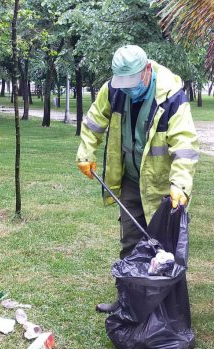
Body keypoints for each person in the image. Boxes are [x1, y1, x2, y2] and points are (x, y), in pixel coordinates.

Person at [75, 45, 199, 313]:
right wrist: (86, 152)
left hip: (163, 186)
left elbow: (185, 145)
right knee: (131, 242)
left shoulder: (171, 97)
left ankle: (164, 311)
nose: (128, 89)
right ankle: (127, 303)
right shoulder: (114, 90)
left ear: (146, 71)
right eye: (124, 84)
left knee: (164, 248)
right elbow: (95, 121)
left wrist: (180, 186)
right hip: (131, 180)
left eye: (132, 83)